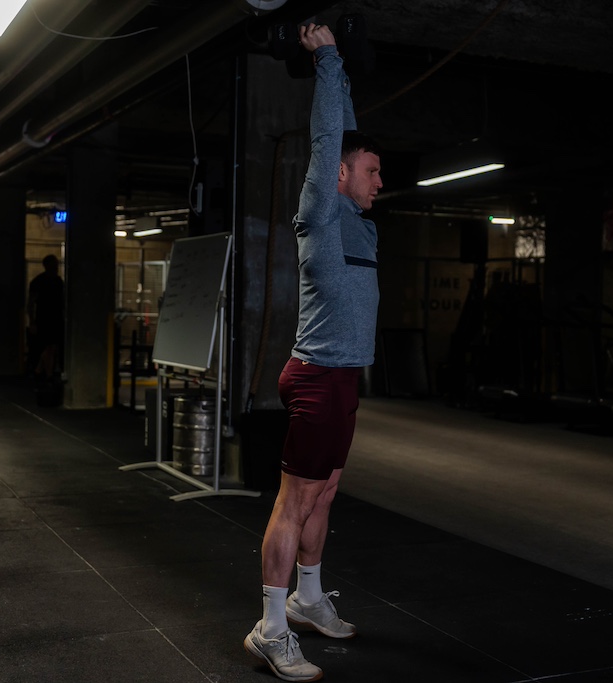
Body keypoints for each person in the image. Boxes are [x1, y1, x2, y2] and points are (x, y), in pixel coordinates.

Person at [243, 22, 383, 682]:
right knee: (293, 503)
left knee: (325, 493)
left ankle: (306, 597)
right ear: (341, 177)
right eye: (372, 171)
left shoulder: (356, 220)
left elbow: (348, 141)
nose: (379, 180)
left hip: (343, 380)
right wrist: (327, 59)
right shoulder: (323, 213)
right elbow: (333, 141)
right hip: (319, 376)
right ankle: (271, 628)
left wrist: (345, 76)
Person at [27, 254, 64, 378]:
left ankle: (40, 371)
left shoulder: (55, 282)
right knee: (50, 347)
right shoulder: (43, 282)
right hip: (46, 319)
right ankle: (47, 374)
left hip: (52, 319)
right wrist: (32, 322)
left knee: (50, 348)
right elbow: (31, 304)